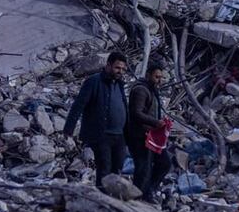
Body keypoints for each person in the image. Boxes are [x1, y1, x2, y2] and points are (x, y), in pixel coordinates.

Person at [64, 51, 129, 189]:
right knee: (104, 167)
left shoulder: (119, 84)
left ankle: (113, 198)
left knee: (117, 167)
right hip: (101, 134)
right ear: (108, 65)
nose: (120, 71)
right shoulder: (94, 81)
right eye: (117, 67)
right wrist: (68, 129)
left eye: (123, 69)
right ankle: (102, 199)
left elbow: (124, 107)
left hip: (119, 135)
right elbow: (78, 105)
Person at [126, 62, 172, 202]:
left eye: (161, 78)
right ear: (148, 75)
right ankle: (136, 197)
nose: (159, 80)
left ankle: (148, 190)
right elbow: (136, 113)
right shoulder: (141, 90)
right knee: (143, 167)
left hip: (151, 135)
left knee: (164, 162)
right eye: (157, 77)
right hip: (139, 136)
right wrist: (156, 122)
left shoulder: (152, 90)